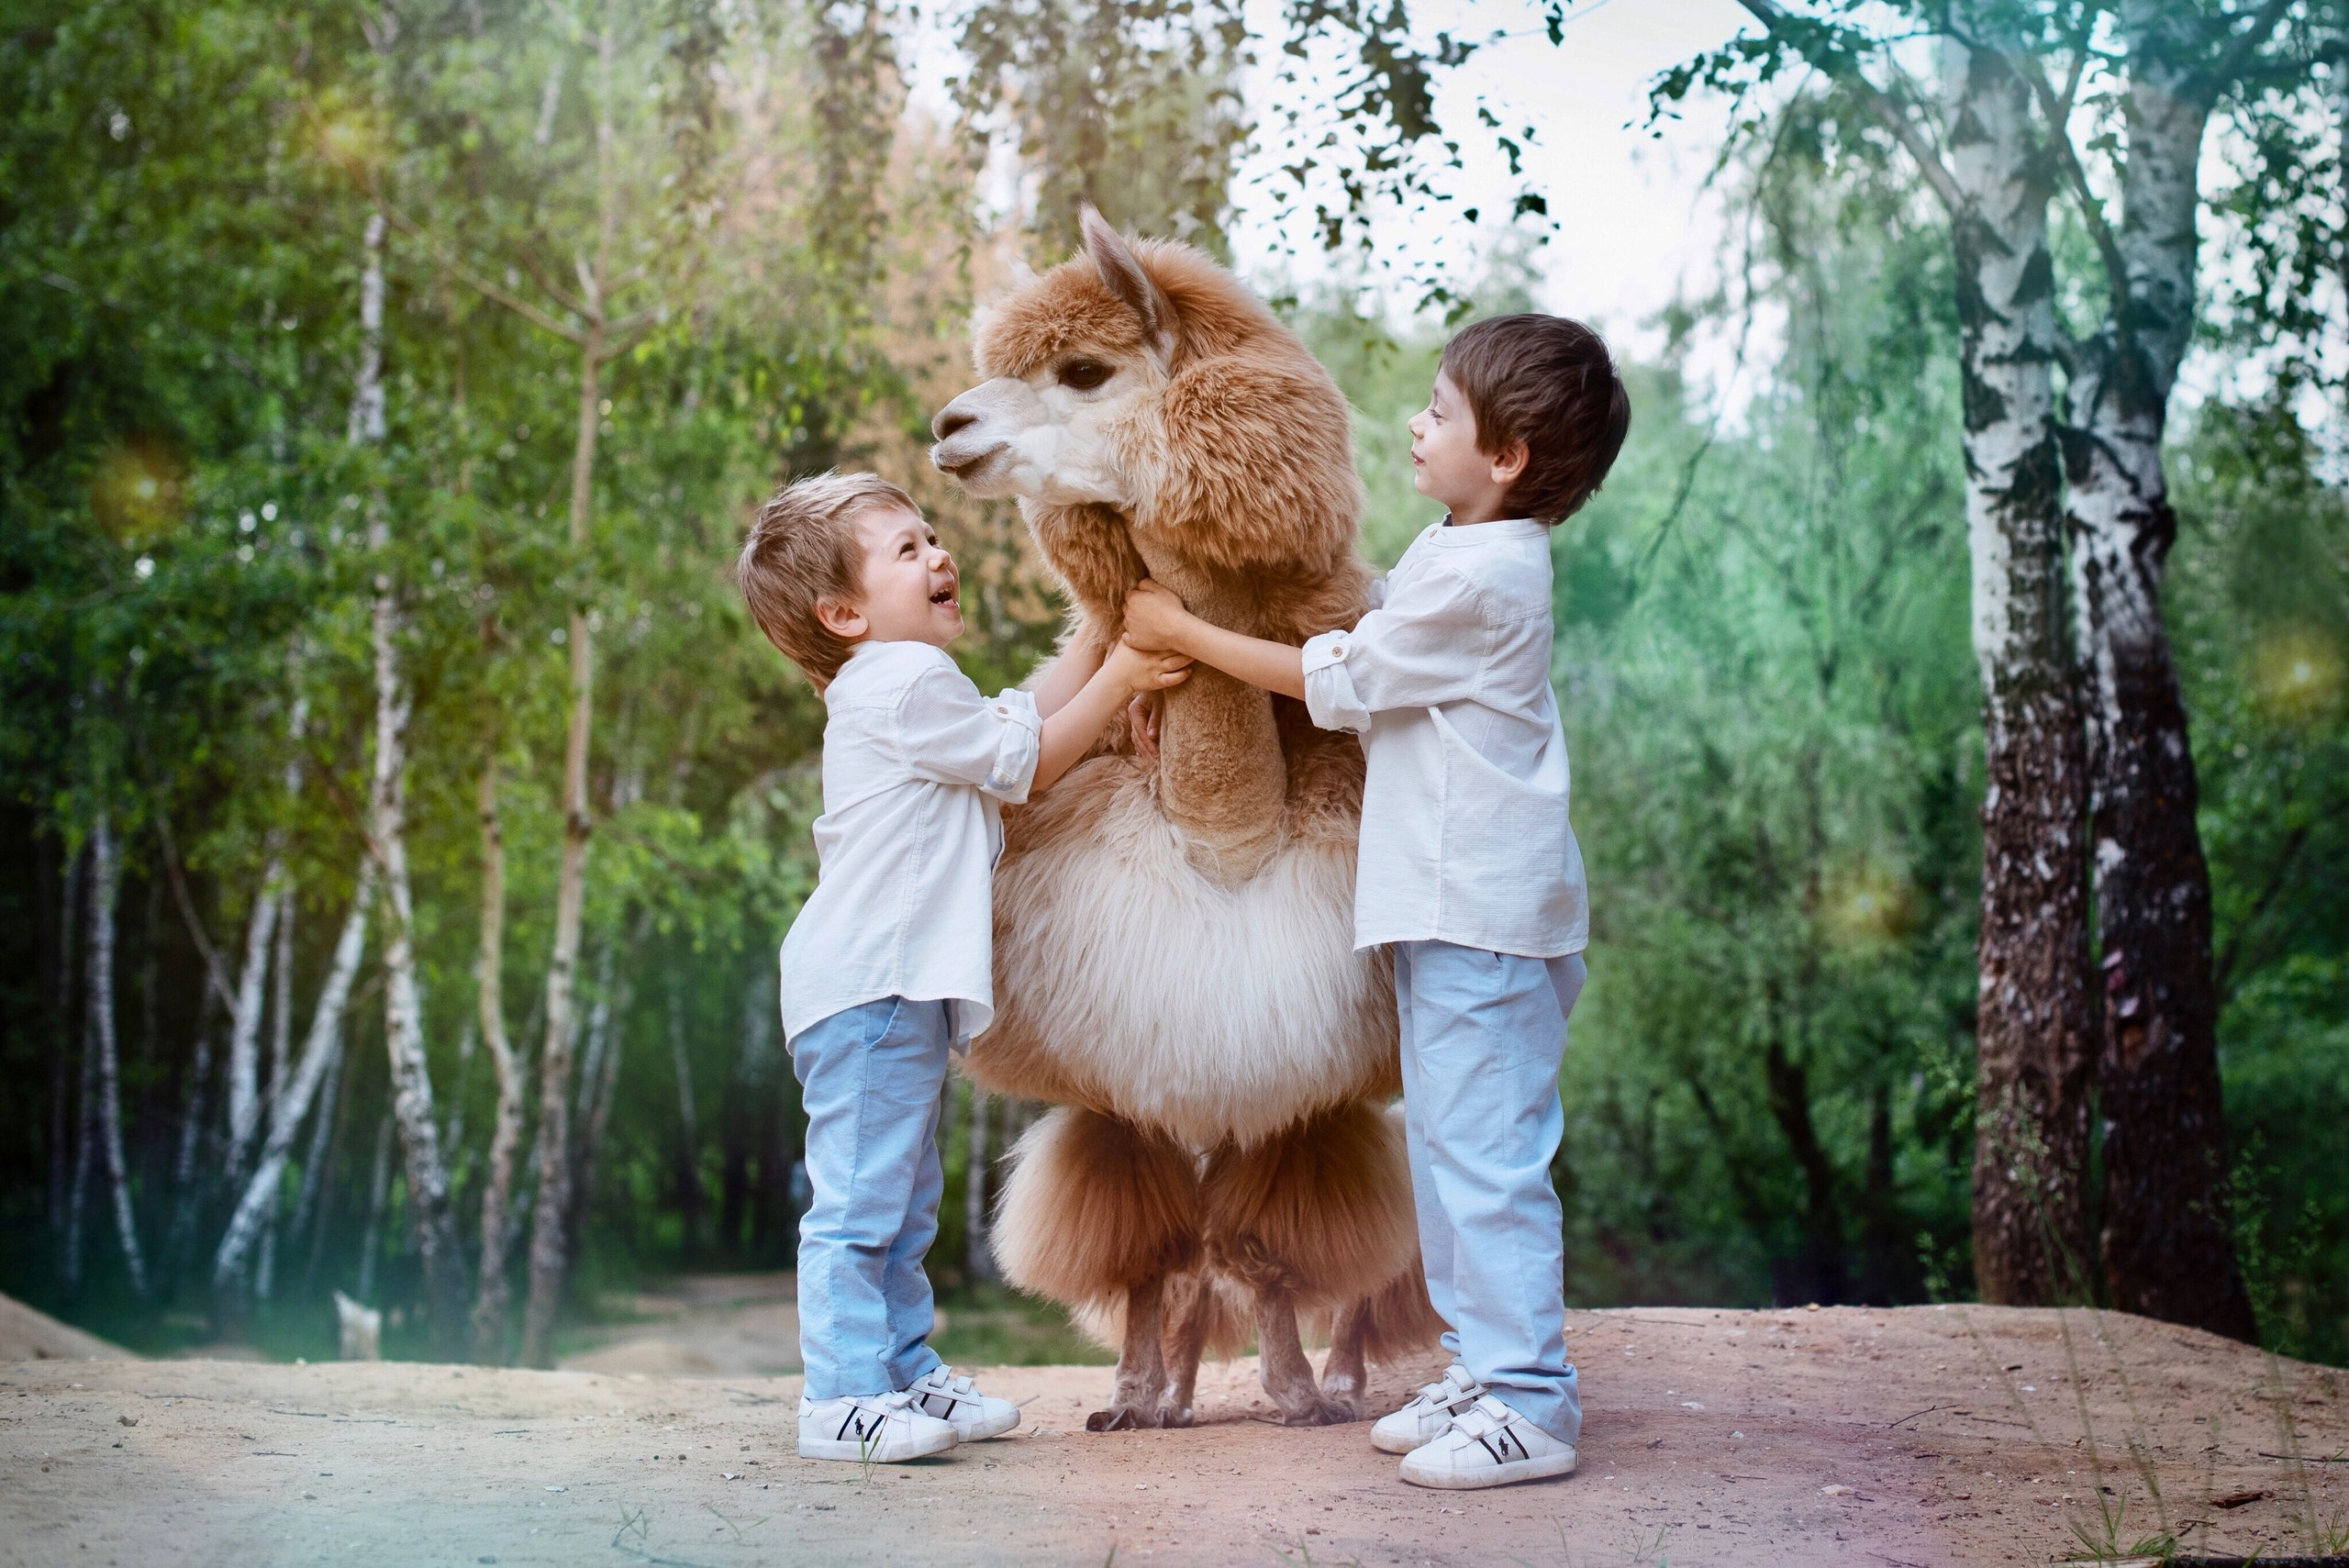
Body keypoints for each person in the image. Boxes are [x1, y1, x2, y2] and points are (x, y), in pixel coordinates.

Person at [1121, 314, 1629, 1489]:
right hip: (1445, 909)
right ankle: (1482, 1368)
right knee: (1450, 1154)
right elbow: (1360, 620)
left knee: (1489, 1160)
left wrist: (1184, 632)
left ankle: (1530, 1400)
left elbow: (1343, 677)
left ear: (1504, 457)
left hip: (1483, 917)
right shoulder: (1455, 550)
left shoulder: (1494, 576)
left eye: (1441, 411)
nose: (1415, 421)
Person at [739, 472, 1191, 1463]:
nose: (938, 554)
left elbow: (1017, 727)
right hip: (871, 985)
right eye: (905, 550)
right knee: (861, 1203)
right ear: (844, 612)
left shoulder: (898, 691)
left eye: (930, 535)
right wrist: (1125, 672)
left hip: (887, 988)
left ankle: (901, 1371)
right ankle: (844, 1396)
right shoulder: (902, 683)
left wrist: (1105, 638)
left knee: (898, 1201)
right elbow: (1027, 767)